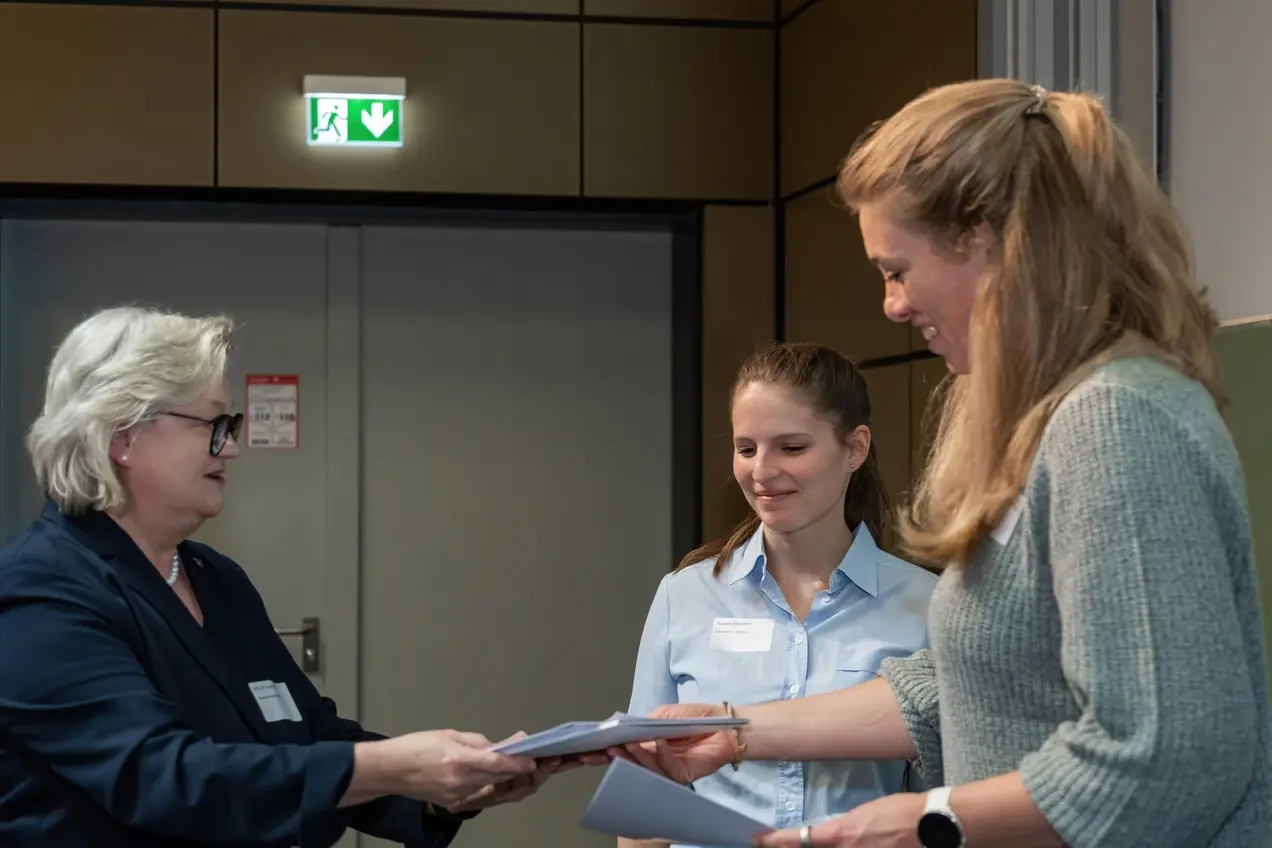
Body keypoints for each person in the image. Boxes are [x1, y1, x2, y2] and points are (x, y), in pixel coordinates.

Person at [605, 79, 1272, 848]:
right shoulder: (1047, 426)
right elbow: (955, 691)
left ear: (993, 243)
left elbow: (1171, 758)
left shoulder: (1114, 419)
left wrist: (930, 820)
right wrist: (737, 728)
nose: (891, 305)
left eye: (898, 270)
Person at [0, 305, 566, 847]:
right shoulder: (41, 592)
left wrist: (444, 789)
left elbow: (303, 734)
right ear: (123, 436)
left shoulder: (214, 578)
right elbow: (160, 777)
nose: (234, 447)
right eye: (214, 424)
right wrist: (391, 766)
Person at [620, 342, 936, 848]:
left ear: (854, 448)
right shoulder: (685, 596)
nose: (762, 471)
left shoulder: (927, 605)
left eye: (791, 448)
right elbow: (645, 791)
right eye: (747, 449)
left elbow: (943, 803)